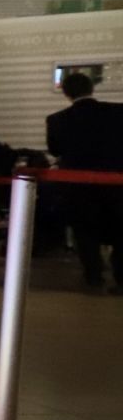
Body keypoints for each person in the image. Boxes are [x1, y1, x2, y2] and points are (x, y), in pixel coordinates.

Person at [46, 72, 123, 293]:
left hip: (78, 187)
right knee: (120, 231)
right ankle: (121, 279)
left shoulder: (56, 120)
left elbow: (55, 150)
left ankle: (93, 278)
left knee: (85, 232)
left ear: (66, 93)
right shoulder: (118, 113)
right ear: (92, 88)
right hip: (117, 185)